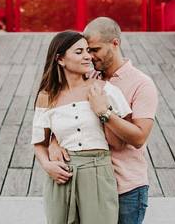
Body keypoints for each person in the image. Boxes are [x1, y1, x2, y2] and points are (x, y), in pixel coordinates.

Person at [50, 18, 158, 224]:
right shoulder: (86, 75)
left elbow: (139, 137)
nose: (89, 56)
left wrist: (104, 112)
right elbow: (64, 113)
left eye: (95, 49)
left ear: (115, 44)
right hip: (88, 186)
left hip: (125, 188)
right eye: (85, 50)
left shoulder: (142, 84)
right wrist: (55, 141)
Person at [33, 30, 131, 224]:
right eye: (79, 52)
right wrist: (47, 165)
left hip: (97, 172)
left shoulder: (104, 89)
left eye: (88, 50)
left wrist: (103, 111)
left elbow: (122, 140)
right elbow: (39, 142)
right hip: (61, 175)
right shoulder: (47, 96)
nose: (88, 56)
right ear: (60, 59)